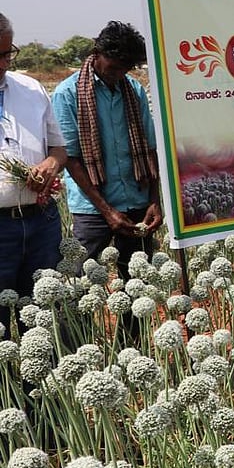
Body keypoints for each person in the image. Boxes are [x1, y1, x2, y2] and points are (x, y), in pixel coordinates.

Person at [53, 21, 160, 280]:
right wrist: (107, 210)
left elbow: (150, 146)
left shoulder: (133, 89)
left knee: (138, 279)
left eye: (125, 69)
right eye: (113, 67)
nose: (118, 74)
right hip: (93, 208)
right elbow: (71, 158)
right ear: (96, 53)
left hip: (136, 200)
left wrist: (154, 200)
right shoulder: (67, 94)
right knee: (78, 281)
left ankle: (131, 324)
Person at [0, 13, 68, 297]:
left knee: (46, 313)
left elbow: (59, 149)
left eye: (7, 54)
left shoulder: (31, 89)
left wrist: (50, 164)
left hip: (41, 223)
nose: (3, 64)